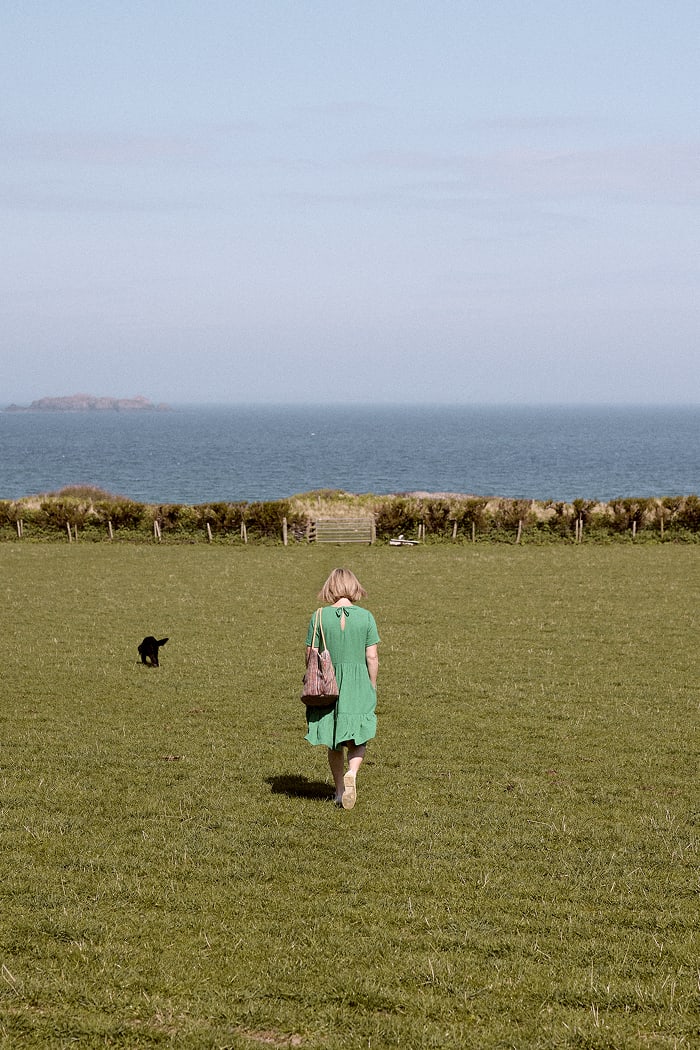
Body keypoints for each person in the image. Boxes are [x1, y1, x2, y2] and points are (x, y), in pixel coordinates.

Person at [304, 568, 380, 809]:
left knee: (334, 739)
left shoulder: (318, 617)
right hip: (358, 681)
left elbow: (310, 654)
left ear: (330, 587)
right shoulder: (367, 617)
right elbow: (372, 656)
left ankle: (339, 792)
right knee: (359, 734)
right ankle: (353, 773)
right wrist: (372, 684)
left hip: (329, 683)